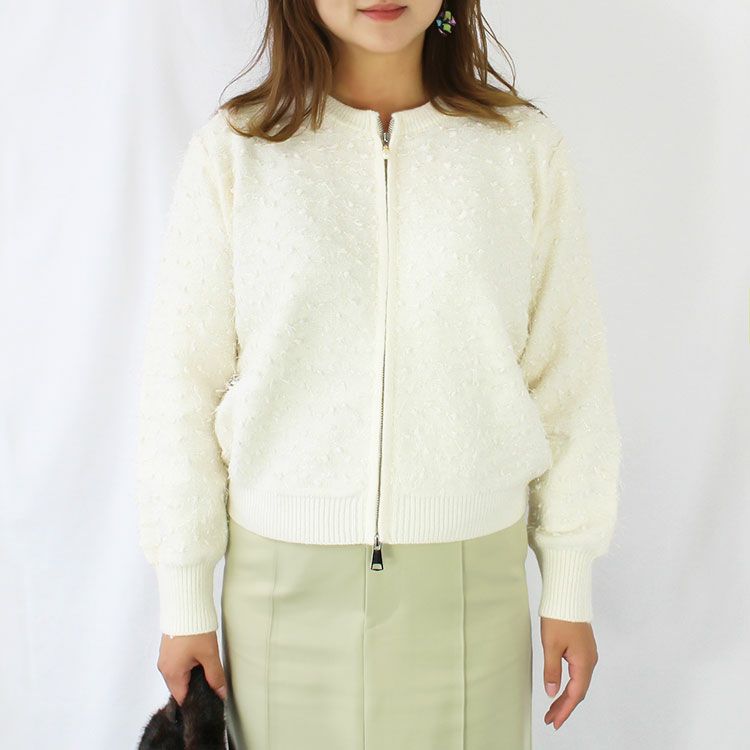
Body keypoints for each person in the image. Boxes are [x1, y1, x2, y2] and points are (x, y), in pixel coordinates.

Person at [134, 1, 622, 747]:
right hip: (280, 596)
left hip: (471, 595)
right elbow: (181, 386)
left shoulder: (522, 150)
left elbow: (568, 379)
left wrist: (568, 579)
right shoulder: (237, 152)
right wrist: (184, 598)